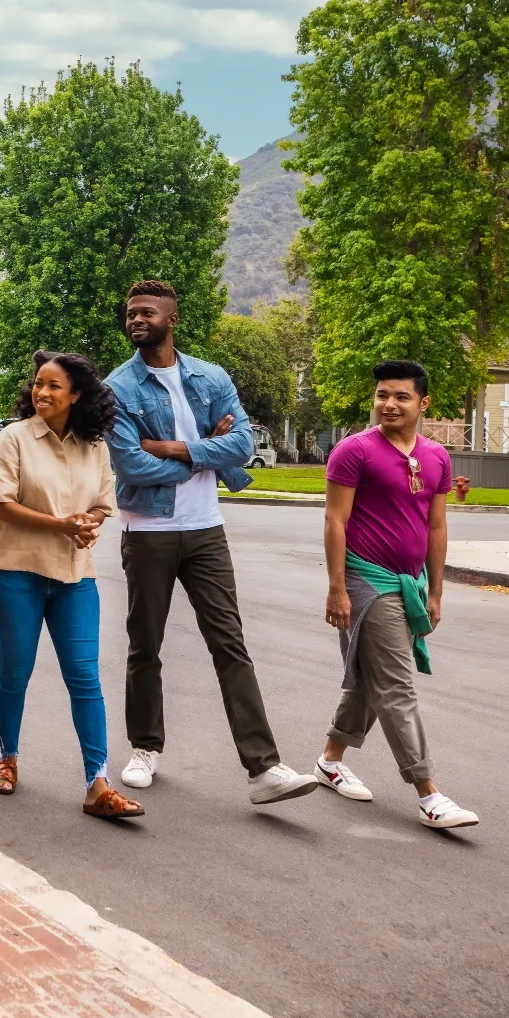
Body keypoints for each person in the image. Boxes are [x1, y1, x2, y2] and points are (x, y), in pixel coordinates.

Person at [104, 280, 318, 806]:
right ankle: (144, 748)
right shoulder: (116, 389)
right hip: (148, 531)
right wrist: (205, 451)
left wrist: (173, 447)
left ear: (171, 319)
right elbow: (130, 462)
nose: (136, 320)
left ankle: (264, 768)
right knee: (144, 646)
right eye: (131, 313)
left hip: (205, 531)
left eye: (147, 312)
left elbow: (242, 443)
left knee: (230, 643)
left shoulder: (210, 376)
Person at [314, 361, 479, 830]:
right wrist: (337, 587)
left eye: (401, 396)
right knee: (397, 686)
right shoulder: (353, 451)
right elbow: (335, 522)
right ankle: (429, 793)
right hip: (368, 581)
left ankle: (330, 759)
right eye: (382, 394)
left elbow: (437, 525)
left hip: (410, 583)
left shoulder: (437, 457)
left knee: (370, 678)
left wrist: (436, 589)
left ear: (422, 404)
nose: (389, 403)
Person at [0, 352, 142, 820]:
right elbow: (1, 503)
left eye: (54, 386)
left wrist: (88, 524)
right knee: (15, 673)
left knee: (85, 678)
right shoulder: (14, 437)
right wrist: (62, 525)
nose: (42, 393)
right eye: (38, 384)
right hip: (17, 573)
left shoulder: (95, 446)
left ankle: (97, 783)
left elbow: (100, 505)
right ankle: (7, 758)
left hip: (75, 578)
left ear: (76, 394)